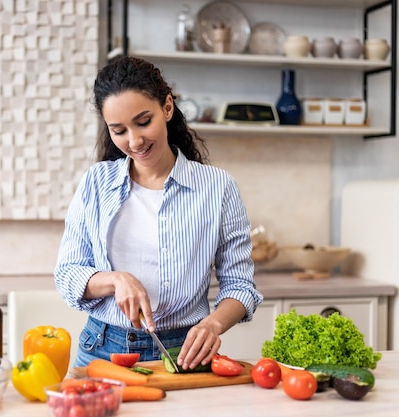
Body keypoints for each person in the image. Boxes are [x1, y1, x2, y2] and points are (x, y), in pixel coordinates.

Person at [54, 56, 263, 370]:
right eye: (119, 130)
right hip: (102, 349)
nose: (135, 141)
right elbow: (68, 274)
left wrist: (213, 325)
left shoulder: (217, 188)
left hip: (185, 352)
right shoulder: (96, 183)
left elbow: (240, 286)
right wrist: (115, 280)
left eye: (143, 122)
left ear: (167, 108)